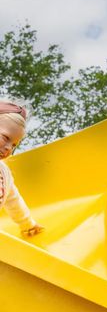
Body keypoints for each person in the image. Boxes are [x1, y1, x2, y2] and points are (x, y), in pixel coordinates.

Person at [0, 100, 43, 237]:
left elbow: (14, 201)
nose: (9, 147)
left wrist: (28, 224)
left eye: (14, 145)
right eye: (5, 137)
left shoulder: (4, 174)